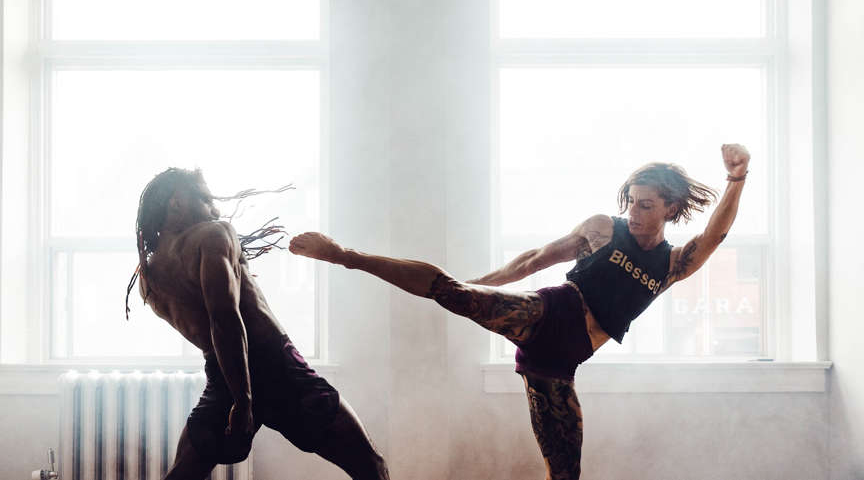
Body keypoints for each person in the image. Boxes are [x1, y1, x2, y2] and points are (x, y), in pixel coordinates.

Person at [289, 144, 750, 480]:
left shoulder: (673, 266)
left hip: (556, 366)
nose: (633, 212)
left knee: (565, 475)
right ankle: (344, 254)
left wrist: (736, 179)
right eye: (630, 201)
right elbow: (531, 262)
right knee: (449, 290)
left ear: (670, 207)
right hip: (546, 315)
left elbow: (715, 235)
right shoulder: (602, 229)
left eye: (646, 205)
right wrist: (473, 288)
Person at [128, 168, 388, 480]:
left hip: (225, 374)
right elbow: (224, 319)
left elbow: (210, 328)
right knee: (371, 465)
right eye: (206, 199)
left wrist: (237, 394)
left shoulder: (148, 278)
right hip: (276, 368)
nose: (216, 209)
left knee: (182, 475)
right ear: (176, 203)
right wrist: (244, 401)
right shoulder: (213, 234)